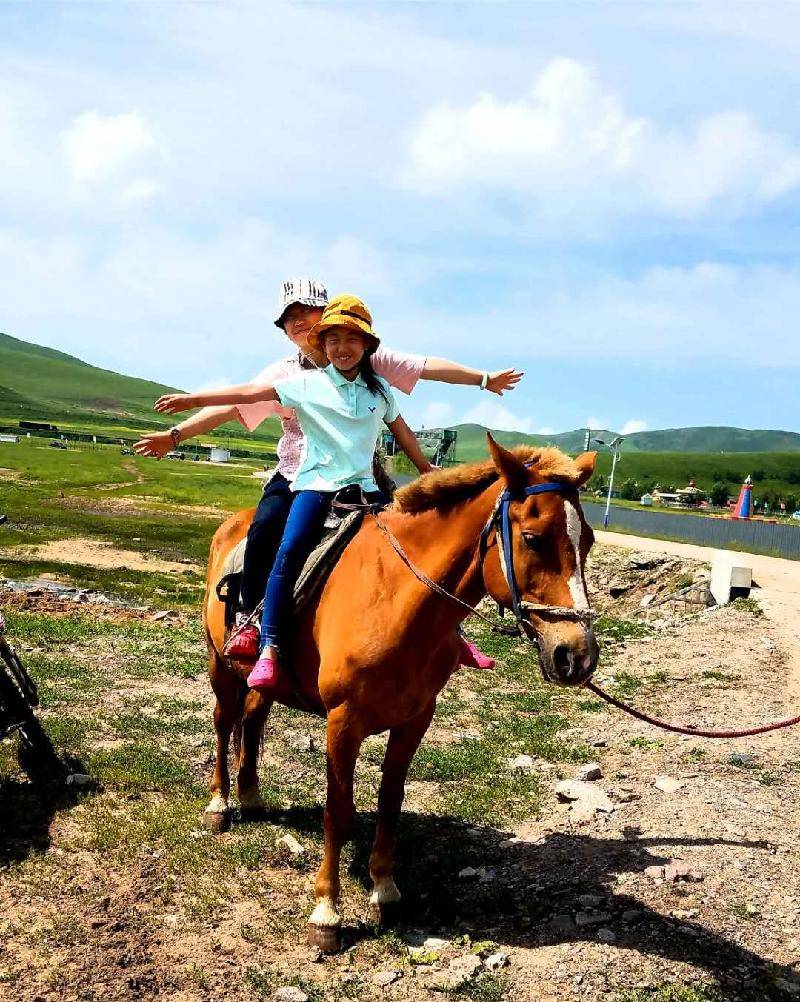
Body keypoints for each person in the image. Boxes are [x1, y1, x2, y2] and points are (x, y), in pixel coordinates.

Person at [135, 279, 522, 663]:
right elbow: (234, 404)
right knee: (266, 529)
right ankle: (248, 621)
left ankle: (449, 631)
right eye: (289, 317)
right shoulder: (287, 375)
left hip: (361, 476)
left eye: (306, 311)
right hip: (297, 475)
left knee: (418, 542)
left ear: (327, 314)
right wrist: (176, 434)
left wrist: (483, 379)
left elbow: (425, 368)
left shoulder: (364, 357)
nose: (298, 321)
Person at [154, 295, 435, 690]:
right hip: (314, 485)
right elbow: (247, 395)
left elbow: (401, 430)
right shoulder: (304, 384)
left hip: (367, 490)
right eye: (333, 340)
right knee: (288, 549)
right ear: (322, 345)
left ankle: (451, 638)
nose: (342, 348)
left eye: (351, 339)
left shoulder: (380, 391)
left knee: (417, 549)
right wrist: (192, 401)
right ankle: (267, 644)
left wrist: (425, 470)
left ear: (368, 345)